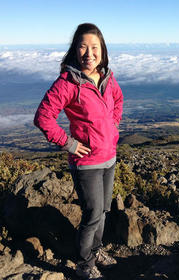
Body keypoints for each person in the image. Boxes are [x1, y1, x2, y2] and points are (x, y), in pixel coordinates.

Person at [34, 23, 123, 280]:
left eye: (94, 47)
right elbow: (43, 117)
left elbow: (118, 99)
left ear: (102, 51)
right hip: (86, 162)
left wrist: (114, 125)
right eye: (83, 47)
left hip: (109, 157)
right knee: (93, 212)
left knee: (104, 210)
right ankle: (84, 264)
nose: (89, 53)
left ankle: (96, 251)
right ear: (75, 50)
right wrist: (69, 143)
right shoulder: (68, 82)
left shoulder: (107, 77)